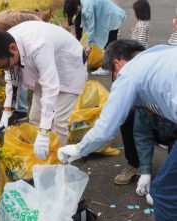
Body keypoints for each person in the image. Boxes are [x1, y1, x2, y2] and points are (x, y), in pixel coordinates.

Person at [57, 39, 177, 220]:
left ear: (117, 64)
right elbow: (142, 133)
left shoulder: (129, 73)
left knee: (163, 195)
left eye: (113, 75)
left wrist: (78, 149)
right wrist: (145, 171)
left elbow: (105, 128)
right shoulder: (160, 54)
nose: (116, 80)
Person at [0, 21, 87, 160]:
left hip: (69, 65)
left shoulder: (38, 44)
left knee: (59, 122)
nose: (6, 70)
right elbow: (13, 81)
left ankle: (61, 165)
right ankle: (40, 161)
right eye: (1, 68)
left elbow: (50, 87)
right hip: (43, 69)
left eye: (5, 65)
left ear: (12, 48)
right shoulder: (7, 46)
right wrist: (8, 111)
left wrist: (44, 132)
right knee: (36, 118)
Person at [63, 0, 126, 76]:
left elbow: (91, 28)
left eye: (75, 12)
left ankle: (107, 68)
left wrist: (88, 45)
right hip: (110, 15)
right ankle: (114, 65)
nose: (76, 14)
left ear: (76, 6)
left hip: (111, 17)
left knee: (110, 44)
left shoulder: (86, 7)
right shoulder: (84, 2)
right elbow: (85, 23)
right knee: (110, 43)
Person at [134, 108, 177, 196]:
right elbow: (143, 136)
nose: (149, 112)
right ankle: (134, 165)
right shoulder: (143, 102)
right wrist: (145, 172)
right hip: (158, 131)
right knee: (129, 116)